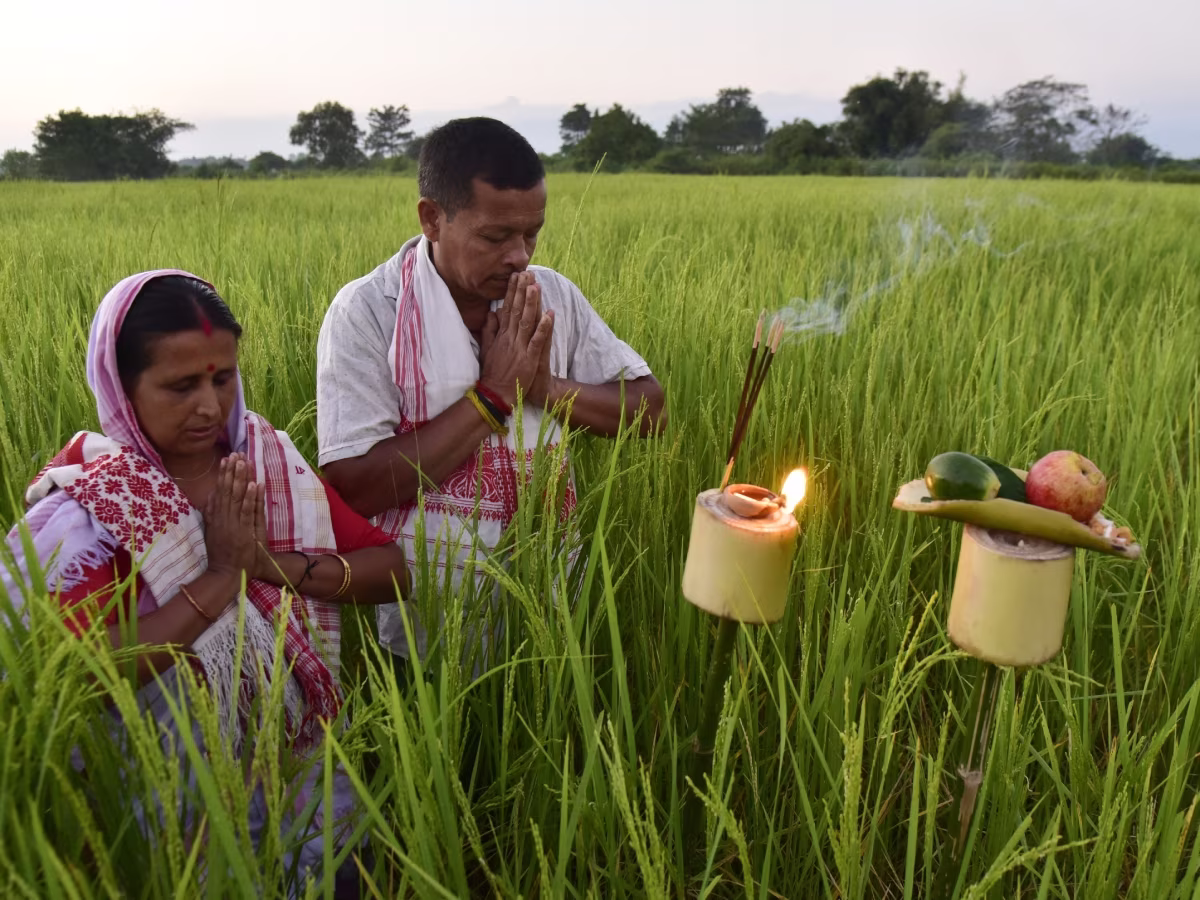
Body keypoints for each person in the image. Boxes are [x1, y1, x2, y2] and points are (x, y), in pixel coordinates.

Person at [1, 270, 410, 896]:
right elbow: (66, 674)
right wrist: (220, 578)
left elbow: (394, 573)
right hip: (148, 791)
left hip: (288, 760)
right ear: (122, 387)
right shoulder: (93, 507)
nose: (210, 406)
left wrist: (268, 564)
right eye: (180, 385)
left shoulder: (267, 465)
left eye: (223, 378)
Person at [316, 116, 666, 670]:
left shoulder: (552, 297)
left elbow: (649, 410)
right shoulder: (370, 312)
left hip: (551, 602)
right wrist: (494, 397)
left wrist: (544, 386)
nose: (519, 257)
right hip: (423, 619)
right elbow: (354, 485)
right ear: (432, 218)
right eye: (495, 237)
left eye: (532, 234)